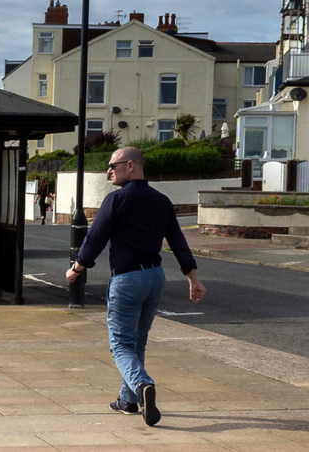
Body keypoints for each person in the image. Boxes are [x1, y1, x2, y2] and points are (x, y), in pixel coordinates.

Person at [67, 147, 206, 427]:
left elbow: (95, 238)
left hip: (128, 279)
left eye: (113, 166)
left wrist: (77, 267)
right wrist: (193, 278)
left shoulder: (116, 200)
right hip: (155, 278)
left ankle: (143, 386)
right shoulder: (162, 201)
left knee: (120, 345)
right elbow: (178, 241)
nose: (109, 171)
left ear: (131, 166)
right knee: (137, 343)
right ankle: (128, 400)